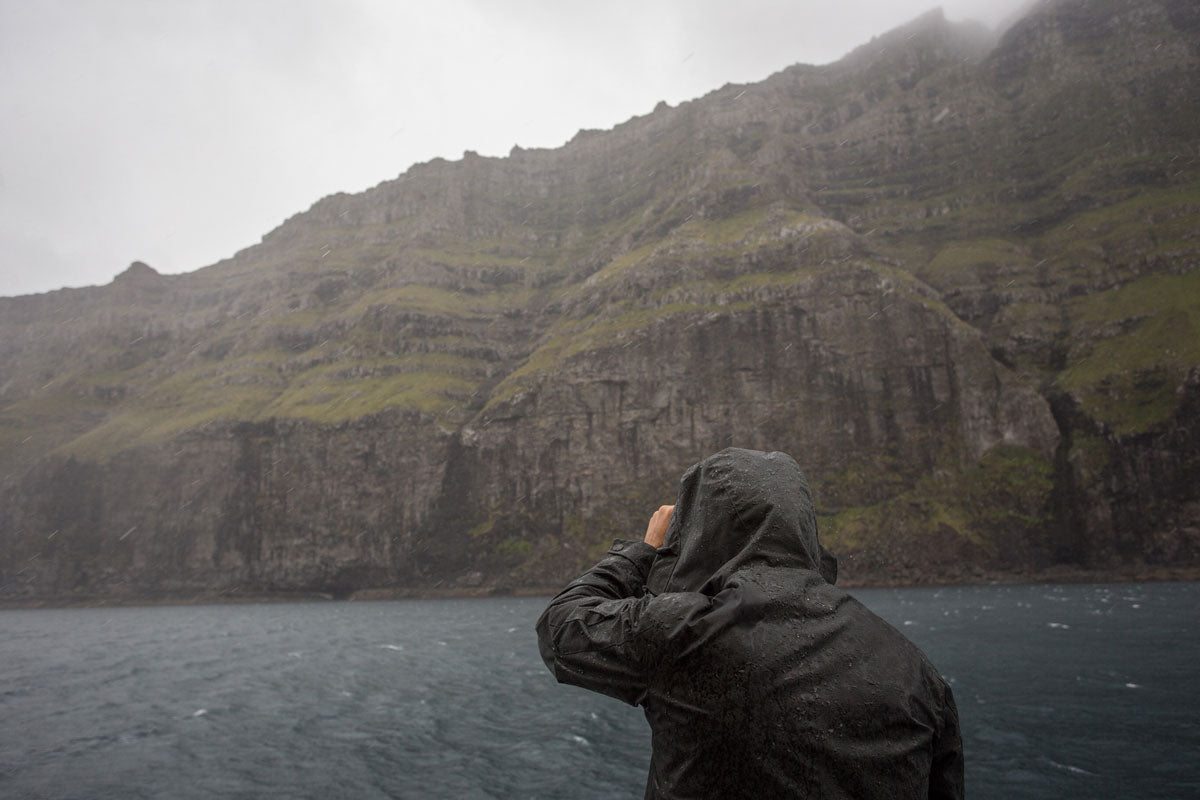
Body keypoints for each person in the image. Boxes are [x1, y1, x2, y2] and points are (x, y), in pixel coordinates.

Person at [536, 447, 964, 799]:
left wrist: (644, 551)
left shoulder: (689, 632)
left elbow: (562, 629)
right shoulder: (916, 671)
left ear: (701, 530)